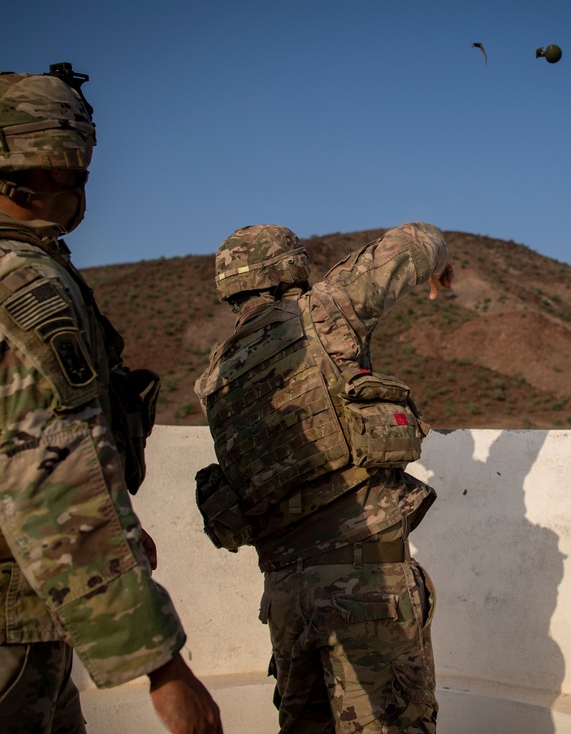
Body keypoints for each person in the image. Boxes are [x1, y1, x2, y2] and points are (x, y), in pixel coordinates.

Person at [0, 65, 222, 733]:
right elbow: (53, 481)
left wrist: (123, 532)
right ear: (53, 159)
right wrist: (164, 669)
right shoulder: (18, 279)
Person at [194, 222, 453, 733]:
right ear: (291, 267)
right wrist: (439, 263)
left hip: (287, 598)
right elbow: (418, 239)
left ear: (230, 285)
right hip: (365, 585)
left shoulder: (219, 372)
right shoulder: (323, 311)